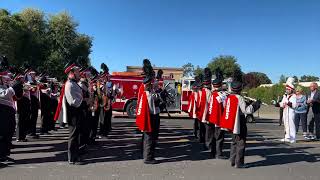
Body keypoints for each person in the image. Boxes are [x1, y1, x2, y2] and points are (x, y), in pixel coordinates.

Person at [220, 78, 261, 168]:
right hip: (239, 122)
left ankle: (233, 160)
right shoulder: (239, 98)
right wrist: (256, 105)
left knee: (234, 142)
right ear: (240, 89)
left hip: (231, 123)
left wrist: (248, 102)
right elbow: (246, 110)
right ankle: (239, 163)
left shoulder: (230, 97)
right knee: (241, 142)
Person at [0, 55, 23, 162]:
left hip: (8, 110)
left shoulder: (5, 85)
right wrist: (12, 87)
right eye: (5, 77)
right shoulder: (4, 86)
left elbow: (14, 98)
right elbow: (3, 95)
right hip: (2, 110)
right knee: (2, 133)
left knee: (9, 132)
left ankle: (5, 153)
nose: (7, 78)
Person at [136, 59, 158, 164]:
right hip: (150, 116)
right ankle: (148, 157)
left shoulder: (146, 90)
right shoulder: (147, 92)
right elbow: (152, 108)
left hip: (148, 115)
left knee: (146, 136)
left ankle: (145, 153)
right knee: (149, 137)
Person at [63, 62, 84, 165]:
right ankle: (71, 158)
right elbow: (72, 102)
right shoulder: (69, 84)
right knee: (73, 135)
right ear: (71, 73)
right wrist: (84, 100)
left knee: (76, 135)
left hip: (77, 113)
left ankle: (76, 155)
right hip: (73, 114)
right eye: (77, 71)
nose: (79, 73)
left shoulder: (74, 83)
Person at [206, 68, 227, 159]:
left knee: (212, 137)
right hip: (218, 119)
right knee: (219, 138)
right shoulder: (222, 95)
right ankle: (218, 154)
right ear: (220, 85)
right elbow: (224, 107)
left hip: (211, 118)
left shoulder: (212, 94)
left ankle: (212, 152)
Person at [279, 77, 297, 143]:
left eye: (288, 89)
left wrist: (288, 103)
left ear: (291, 90)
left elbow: (294, 105)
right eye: (286, 89)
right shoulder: (285, 96)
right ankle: (287, 136)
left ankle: (293, 137)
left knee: (291, 124)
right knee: (286, 124)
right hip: (285, 111)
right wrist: (279, 104)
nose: (286, 90)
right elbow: (282, 103)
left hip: (290, 112)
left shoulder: (294, 96)